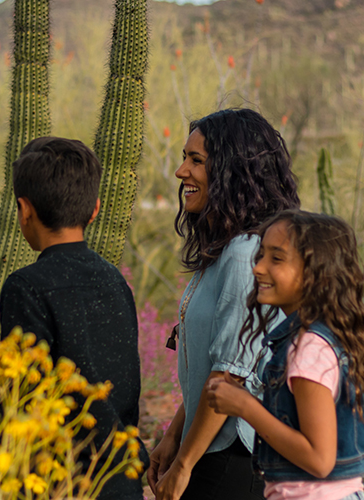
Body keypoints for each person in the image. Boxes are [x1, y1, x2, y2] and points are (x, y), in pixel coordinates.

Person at [148, 108, 301, 500]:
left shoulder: (245, 253)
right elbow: (215, 366)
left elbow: (230, 375)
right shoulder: (226, 251)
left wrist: (184, 464)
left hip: (233, 459)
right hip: (212, 449)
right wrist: (174, 436)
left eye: (196, 160)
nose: (182, 171)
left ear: (233, 171)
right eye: (185, 157)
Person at [0, 136, 148, 500]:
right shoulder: (115, 280)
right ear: (94, 209)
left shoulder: (26, 287)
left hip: (59, 482)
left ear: (24, 209)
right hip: (118, 474)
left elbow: (25, 397)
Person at [204, 210, 364, 500]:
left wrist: (246, 407)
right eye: (260, 256)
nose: (258, 268)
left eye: (276, 258)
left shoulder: (309, 349)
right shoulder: (312, 339)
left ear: (316, 273)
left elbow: (318, 459)